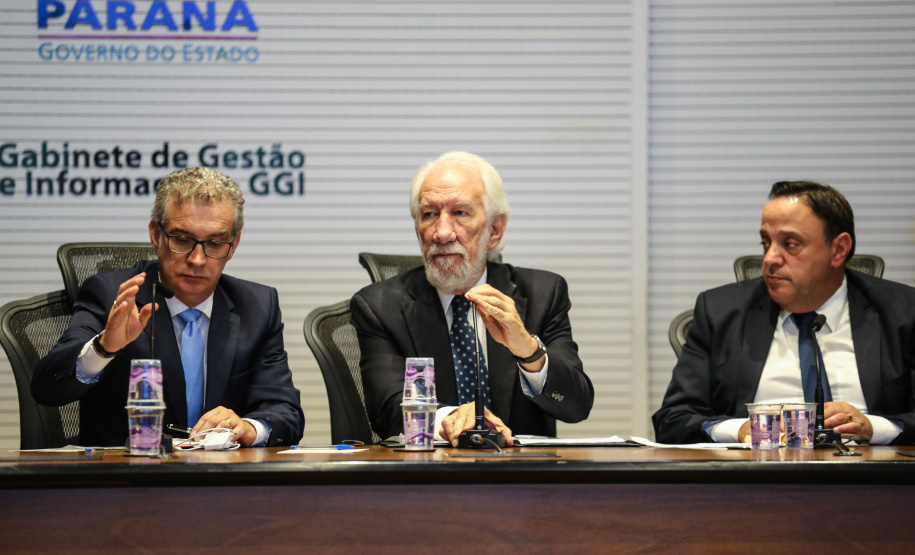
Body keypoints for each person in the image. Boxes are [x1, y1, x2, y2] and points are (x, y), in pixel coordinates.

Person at [31, 167, 304, 447]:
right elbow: (47, 389)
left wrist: (248, 428)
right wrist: (104, 348)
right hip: (128, 470)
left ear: (233, 245)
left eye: (215, 243)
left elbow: (285, 413)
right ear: (156, 235)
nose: (197, 260)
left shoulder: (257, 307)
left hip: (222, 471)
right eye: (182, 240)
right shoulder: (114, 296)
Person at [351, 151, 593, 446]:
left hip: (522, 470)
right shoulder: (379, 306)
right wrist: (453, 418)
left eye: (460, 213)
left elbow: (576, 406)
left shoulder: (543, 293)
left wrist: (529, 352)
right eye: (429, 215)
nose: (442, 233)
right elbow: (386, 408)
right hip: (427, 469)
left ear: (495, 229)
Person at [653, 181, 915, 445]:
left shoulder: (903, 312)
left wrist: (874, 427)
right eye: (765, 243)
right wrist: (741, 429)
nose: (770, 258)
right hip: (755, 466)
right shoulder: (720, 312)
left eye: (790, 244)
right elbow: (672, 419)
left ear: (838, 250)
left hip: (869, 467)